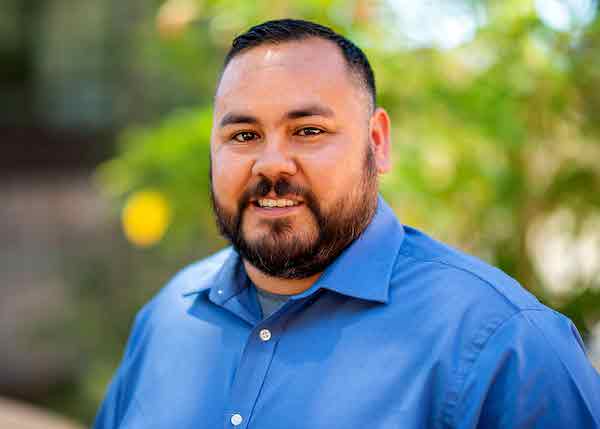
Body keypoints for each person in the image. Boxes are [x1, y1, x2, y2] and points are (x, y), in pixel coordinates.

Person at [94, 19, 600, 429]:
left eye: (308, 130)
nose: (271, 164)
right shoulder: (167, 320)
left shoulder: (505, 346)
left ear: (377, 143)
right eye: (244, 135)